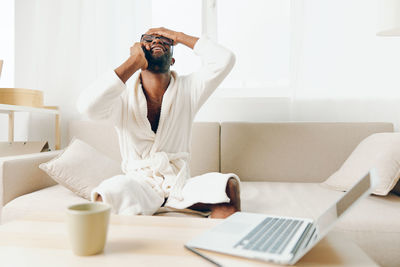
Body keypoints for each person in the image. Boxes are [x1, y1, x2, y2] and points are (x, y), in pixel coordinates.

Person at [77, 27, 239, 218]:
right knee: (108, 194)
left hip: (179, 184)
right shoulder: (121, 97)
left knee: (228, 187)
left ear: (172, 60)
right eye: (149, 40)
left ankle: (215, 245)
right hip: (139, 184)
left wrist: (177, 36)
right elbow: (87, 107)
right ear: (139, 51)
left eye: (164, 41)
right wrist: (133, 62)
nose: (156, 41)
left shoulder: (189, 89)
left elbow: (224, 59)